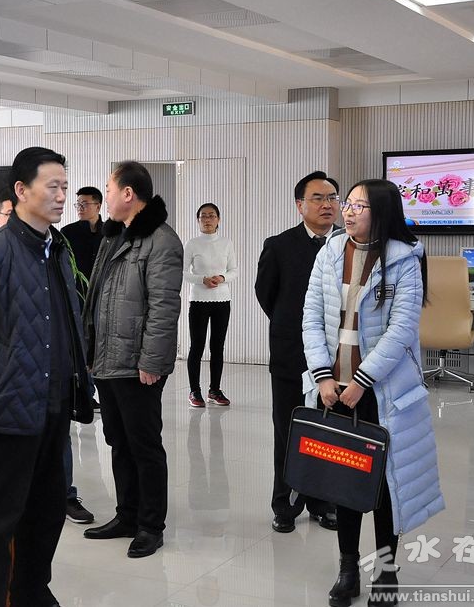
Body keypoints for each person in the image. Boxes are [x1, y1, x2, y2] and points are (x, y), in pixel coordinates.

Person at [0, 146, 95, 607]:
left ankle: (31, 593)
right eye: (52, 186)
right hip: (10, 411)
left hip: (55, 405)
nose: (62, 196)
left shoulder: (57, 250)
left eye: (64, 186)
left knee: (47, 512)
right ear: (20, 190)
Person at [302, 179, 444, 607]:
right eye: (347, 203)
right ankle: (348, 570)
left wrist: (362, 380)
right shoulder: (330, 251)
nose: (347, 211)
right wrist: (323, 376)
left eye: (358, 206)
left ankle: (386, 571)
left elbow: (402, 330)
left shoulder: (405, 257)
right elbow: (311, 316)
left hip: (382, 392)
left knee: (385, 486)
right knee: (344, 482)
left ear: (381, 212)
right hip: (333, 388)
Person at [82, 160, 183, 559]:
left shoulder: (161, 241)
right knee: (118, 441)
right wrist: (90, 351)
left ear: (128, 193)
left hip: (137, 364)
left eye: (108, 190)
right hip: (108, 359)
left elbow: (164, 308)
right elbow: (97, 297)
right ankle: (127, 515)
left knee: (144, 445)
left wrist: (152, 362)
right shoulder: (114, 235)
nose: (104, 197)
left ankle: (150, 525)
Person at [254, 171, 340, 534]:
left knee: (328, 431)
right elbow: (266, 295)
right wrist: (293, 326)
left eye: (332, 198)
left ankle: (323, 501)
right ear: (299, 205)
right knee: (288, 431)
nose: (327, 204)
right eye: (318, 198)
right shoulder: (279, 245)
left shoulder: (349, 244)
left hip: (337, 360)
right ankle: (285, 504)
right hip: (291, 354)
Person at [59, 185, 105, 524]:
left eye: (85, 203)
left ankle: (91, 390)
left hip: (101, 299)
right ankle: (85, 391)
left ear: (98, 205)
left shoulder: (110, 232)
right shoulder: (67, 233)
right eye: (77, 204)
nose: (79, 208)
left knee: (96, 349)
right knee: (83, 348)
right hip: (77, 300)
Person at [183, 202, 237, 408]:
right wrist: (202, 279)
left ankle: (215, 390)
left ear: (218, 220)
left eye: (211, 215)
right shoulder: (192, 244)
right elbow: (183, 272)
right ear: (198, 220)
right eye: (203, 216)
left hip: (222, 300)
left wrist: (222, 278)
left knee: (217, 346)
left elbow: (234, 270)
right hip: (198, 300)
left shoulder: (226, 243)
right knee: (197, 346)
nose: (207, 219)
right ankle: (194, 391)